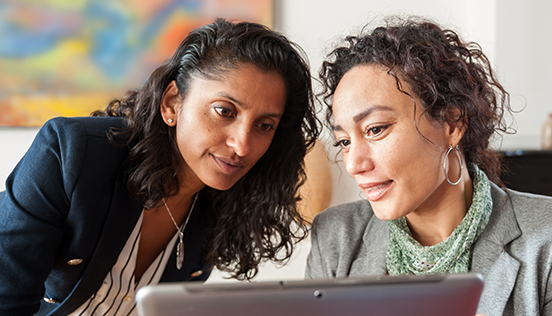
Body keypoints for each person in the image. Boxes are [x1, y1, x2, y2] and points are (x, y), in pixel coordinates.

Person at [0, 18, 320, 315]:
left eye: (264, 125)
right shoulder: (70, 153)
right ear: (172, 103)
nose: (242, 145)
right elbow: (7, 300)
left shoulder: (229, 202)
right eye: (224, 111)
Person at [306, 16, 552, 316]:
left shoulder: (546, 240)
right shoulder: (336, 238)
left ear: (452, 123)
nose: (355, 164)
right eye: (343, 141)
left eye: (375, 129)